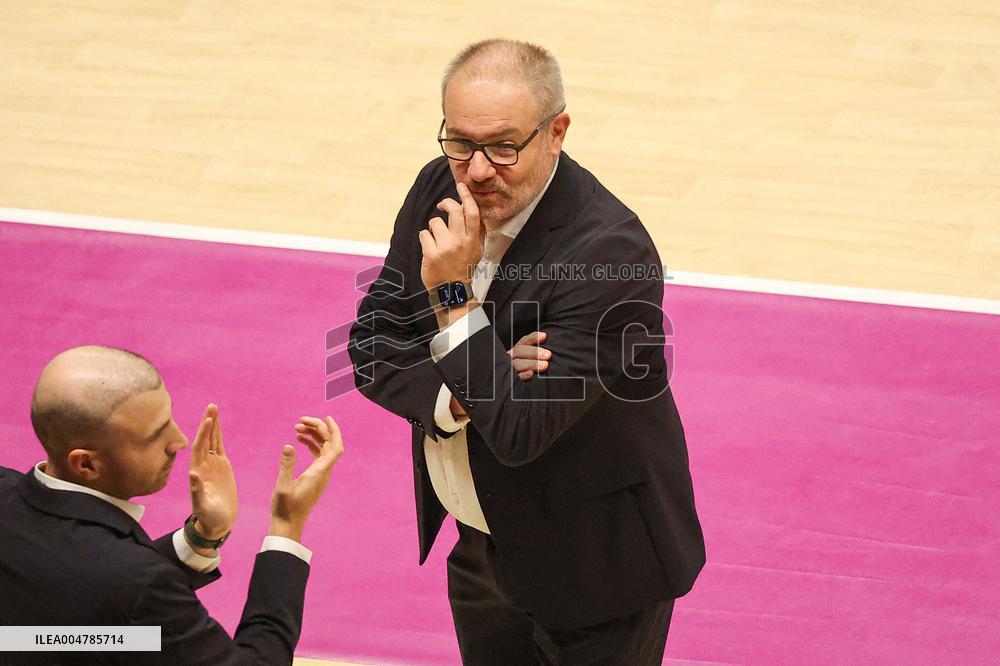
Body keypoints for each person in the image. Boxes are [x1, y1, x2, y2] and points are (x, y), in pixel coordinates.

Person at [349, 39, 705, 664]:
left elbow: (520, 428)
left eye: (503, 146)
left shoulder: (610, 255)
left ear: (557, 131)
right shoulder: (440, 186)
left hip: (597, 566)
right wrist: (464, 391)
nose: (478, 169)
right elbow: (372, 342)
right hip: (480, 547)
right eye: (459, 142)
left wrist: (454, 301)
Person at [0, 345, 343, 665]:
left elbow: (76, 622)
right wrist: (287, 526)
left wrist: (202, 537)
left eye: (170, 418)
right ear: (87, 464)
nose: (179, 441)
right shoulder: (141, 586)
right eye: (155, 436)